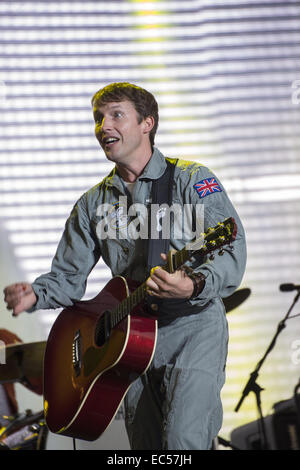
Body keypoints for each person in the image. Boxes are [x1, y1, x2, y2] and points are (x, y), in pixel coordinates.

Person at [3, 82, 247, 450]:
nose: (104, 127)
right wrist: (34, 294)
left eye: (116, 115)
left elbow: (230, 249)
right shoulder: (90, 204)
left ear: (147, 123)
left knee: (184, 441)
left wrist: (194, 284)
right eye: (98, 119)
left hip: (192, 326)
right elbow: (68, 279)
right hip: (128, 341)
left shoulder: (191, 179)